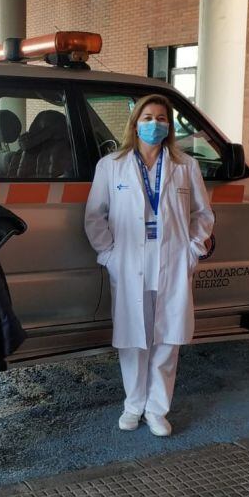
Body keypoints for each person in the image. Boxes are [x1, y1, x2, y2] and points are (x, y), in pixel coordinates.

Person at [85, 94, 214, 437]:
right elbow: (95, 216)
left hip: (171, 260)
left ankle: (157, 409)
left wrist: (193, 248)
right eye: (147, 117)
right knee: (133, 340)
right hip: (128, 263)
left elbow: (203, 213)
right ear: (135, 122)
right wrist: (108, 255)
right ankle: (133, 405)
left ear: (169, 126)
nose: (154, 124)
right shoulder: (111, 165)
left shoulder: (185, 165)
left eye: (160, 118)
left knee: (166, 340)